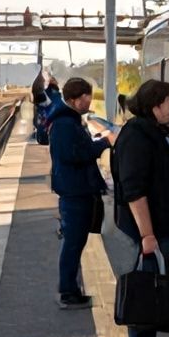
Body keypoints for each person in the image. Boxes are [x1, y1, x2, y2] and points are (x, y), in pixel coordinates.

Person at [110, 79, 169, 337]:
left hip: (158, 229)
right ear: (155, 106)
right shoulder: (138, 136)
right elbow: (134, 189)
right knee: (145, 292)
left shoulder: (152, 132)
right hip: (147, 231)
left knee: (152, 290)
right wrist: (147, 234)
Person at [49, 77, 112, 309]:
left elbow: (76, 150)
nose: (90, 102)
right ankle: (68, 292)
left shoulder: (68, 120)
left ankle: (71, 289)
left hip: (76, 188)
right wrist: (104, 143)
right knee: (73, 243)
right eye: (87, 98)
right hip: (74, 191)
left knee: (75, 242)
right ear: (76, 100)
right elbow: (73, 155)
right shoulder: (66, 124)